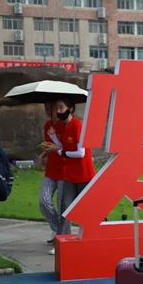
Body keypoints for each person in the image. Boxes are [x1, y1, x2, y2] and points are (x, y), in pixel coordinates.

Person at [42, 98, 95, 235]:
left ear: (70, 109)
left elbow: (80, 153)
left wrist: (62, 152)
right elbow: (62, 146)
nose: (58, 111)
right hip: (69, 175)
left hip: (84, 174)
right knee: (65, 209)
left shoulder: (77, 125)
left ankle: (90, 234)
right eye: (57, 108)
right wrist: (53, 137)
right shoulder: (63, 126)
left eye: (61, 108)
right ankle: (62, 239)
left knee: (86, 208)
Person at [38, 102, 64, 254]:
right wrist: (43, 155)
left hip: (65, 171)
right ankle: (56, 229)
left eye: (51, 108)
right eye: (46, 108)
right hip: (51, 170)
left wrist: (55, 142)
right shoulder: (47, 125)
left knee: (62, 205)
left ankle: (59, 237)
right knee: (44, 201)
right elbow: (50, 146)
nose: (48, 111)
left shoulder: (65, 125)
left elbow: (67, 147)